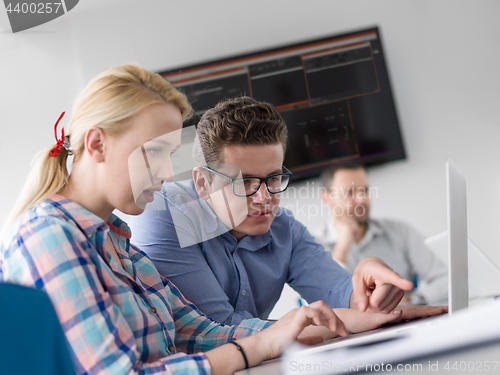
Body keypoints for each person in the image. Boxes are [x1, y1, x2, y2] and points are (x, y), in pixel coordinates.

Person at [0, 64, 371, 375]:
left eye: (171, 154)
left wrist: (291, 329)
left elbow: (192, 330)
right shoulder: (49, 236)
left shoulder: (117, 242)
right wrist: (251, 350)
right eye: (155, 153)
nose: (164, 173)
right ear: (97, 144)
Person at [128, 96, 445, 325]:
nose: (265, 198)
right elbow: (218, 326)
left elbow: (339, 292)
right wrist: (322, 323)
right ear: (202, 183)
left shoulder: (284, 229)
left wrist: (368, 290)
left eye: (274, 178)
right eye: (244, 182)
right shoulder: (162, 213)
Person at [315, 162, 448, 305]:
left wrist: (412, 300)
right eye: (350, 192)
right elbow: (320, 304)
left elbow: (447, 277)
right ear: (326, 198)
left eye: (365, 190)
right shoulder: (312, 244)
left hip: (404, 320)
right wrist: (342, 248)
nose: (361, 199)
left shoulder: (399, 231)